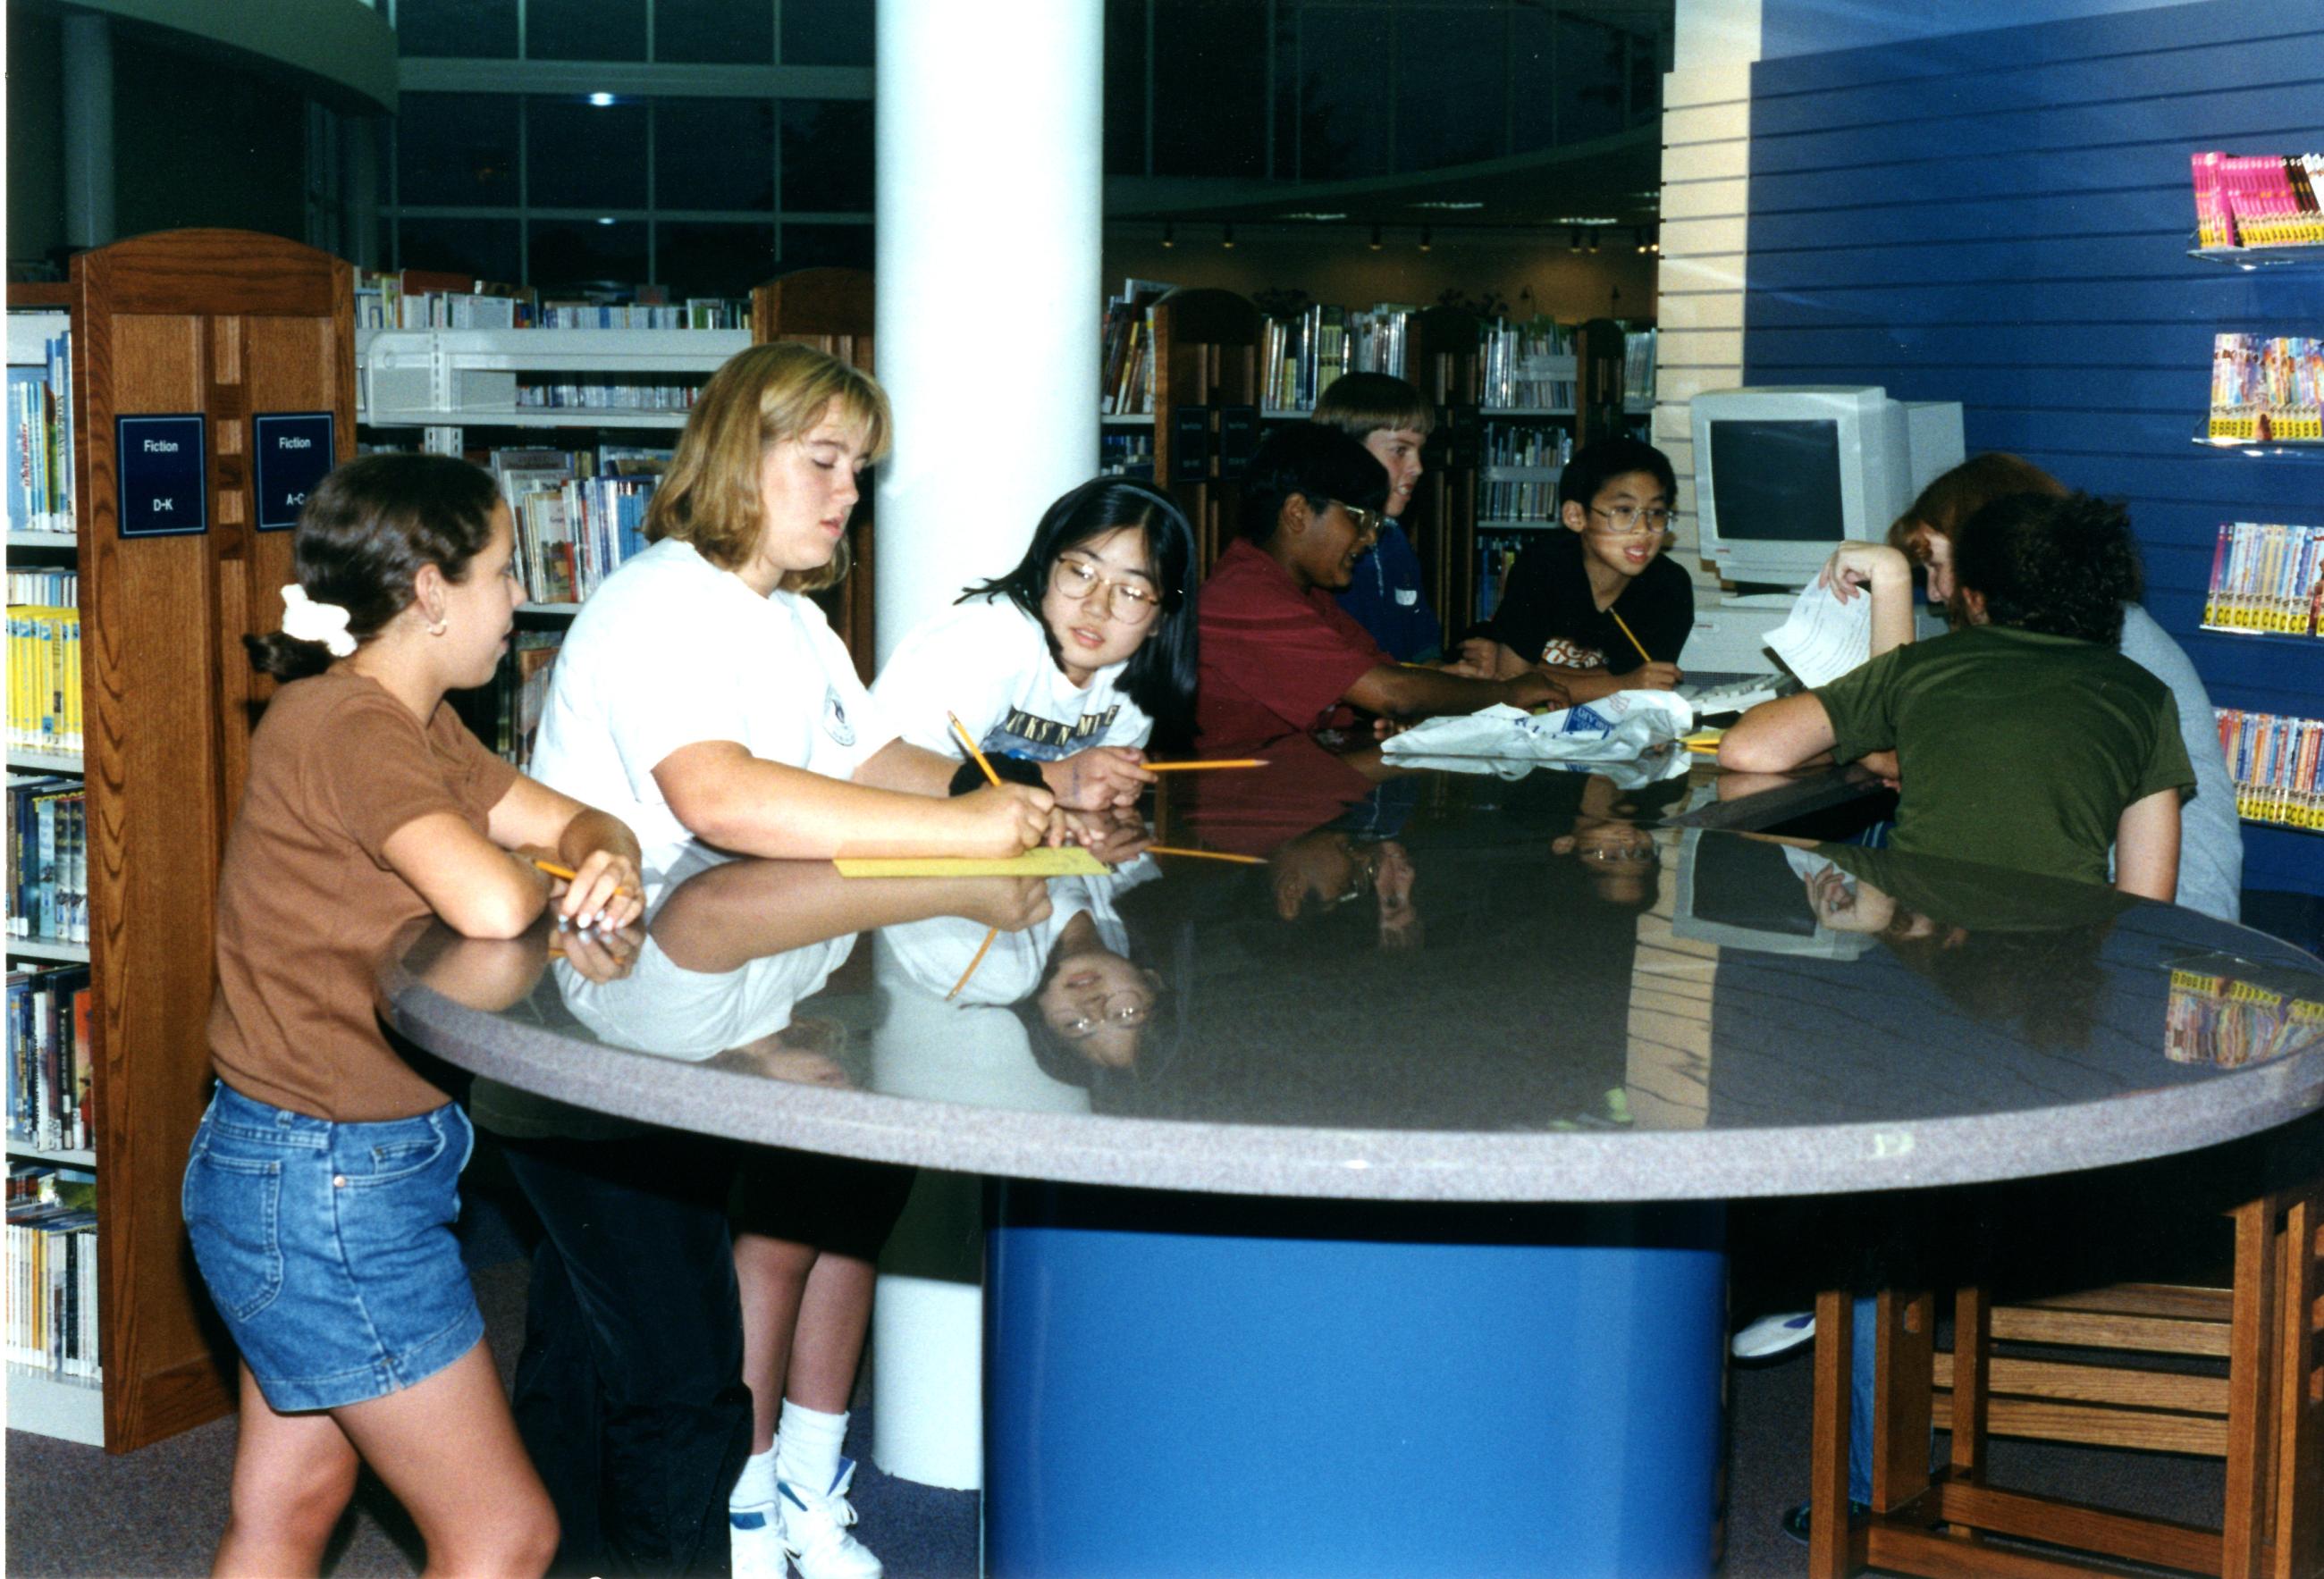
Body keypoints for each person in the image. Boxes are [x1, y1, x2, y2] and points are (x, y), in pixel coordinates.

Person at [520, 342, 1056, 1579]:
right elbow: (723, 798)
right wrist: (965, 831)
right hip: (621, 1029)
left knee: (780, 1239)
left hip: (719, 999)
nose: (846, 493)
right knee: (665, 1365)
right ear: (734, 456)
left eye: (858, 470)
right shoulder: (660, 599)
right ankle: (722, 1522)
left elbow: (869, 763)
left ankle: (768, 1498)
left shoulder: (798, 619)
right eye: (821, 461)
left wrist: (1020, 790)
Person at [187, 452, 648, 1578]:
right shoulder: (347, 726)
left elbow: (581, 819)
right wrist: (558, 874)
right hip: (326, 1183)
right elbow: (493, 902)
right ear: (432, 590)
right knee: (504, 1533)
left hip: (299, 1164)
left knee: (291, 1507)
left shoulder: (418, 724)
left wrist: (609, 860)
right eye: (502, 572)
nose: (519, 600)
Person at [1815, 451, 2243, 923]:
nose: (1934, 592)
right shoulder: (2083, 628)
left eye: (1935, 565)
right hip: (2118, 909)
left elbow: (1891, 745)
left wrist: (1892, 582)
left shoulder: (2104, 643)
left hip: (2167, 921)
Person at [1722, 490, 2195, 899]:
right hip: (2060, 957)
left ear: (1975, 597)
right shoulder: (2145, 697)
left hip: (1929, 944)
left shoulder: (1924, 667)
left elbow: (1747, 748)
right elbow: (2145, 899)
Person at [1195, 422, 1567, 752]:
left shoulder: (1308, 594)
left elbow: (1386, 675)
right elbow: (1393, 694)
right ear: (1298, 513)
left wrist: (1436, 689)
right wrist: (1510, 693)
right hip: (1245, 806)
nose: (1370, 537)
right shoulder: (1247, 596)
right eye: (1360, 519)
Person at [872, 476, 1199, 811]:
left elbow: (1078, 797)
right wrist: (1055, 781)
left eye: (1131, 592)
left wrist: (1107, 786)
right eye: (1081, 572)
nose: (1097, 607)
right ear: (1046, 563)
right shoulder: (989, 638)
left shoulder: (1131, 682)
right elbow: (874, 770)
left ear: (1161, 619)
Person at [1451, 435, 1693, 701]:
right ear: (1576, 516)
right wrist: (1622, 685)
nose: (1643, 530)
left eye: (1656, 513)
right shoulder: (1543, 565)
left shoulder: (1670, 586)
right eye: (1623, 510)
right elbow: (1514, 683)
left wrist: (1527, 669)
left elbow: (1649, 686)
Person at [1313, 371, 1444, 662]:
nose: (1418, 467)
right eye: (1400, 450)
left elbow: (1424, 643)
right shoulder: (1319, 548)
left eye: (1419, 451)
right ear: (1347, 451)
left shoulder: (1394, 538)